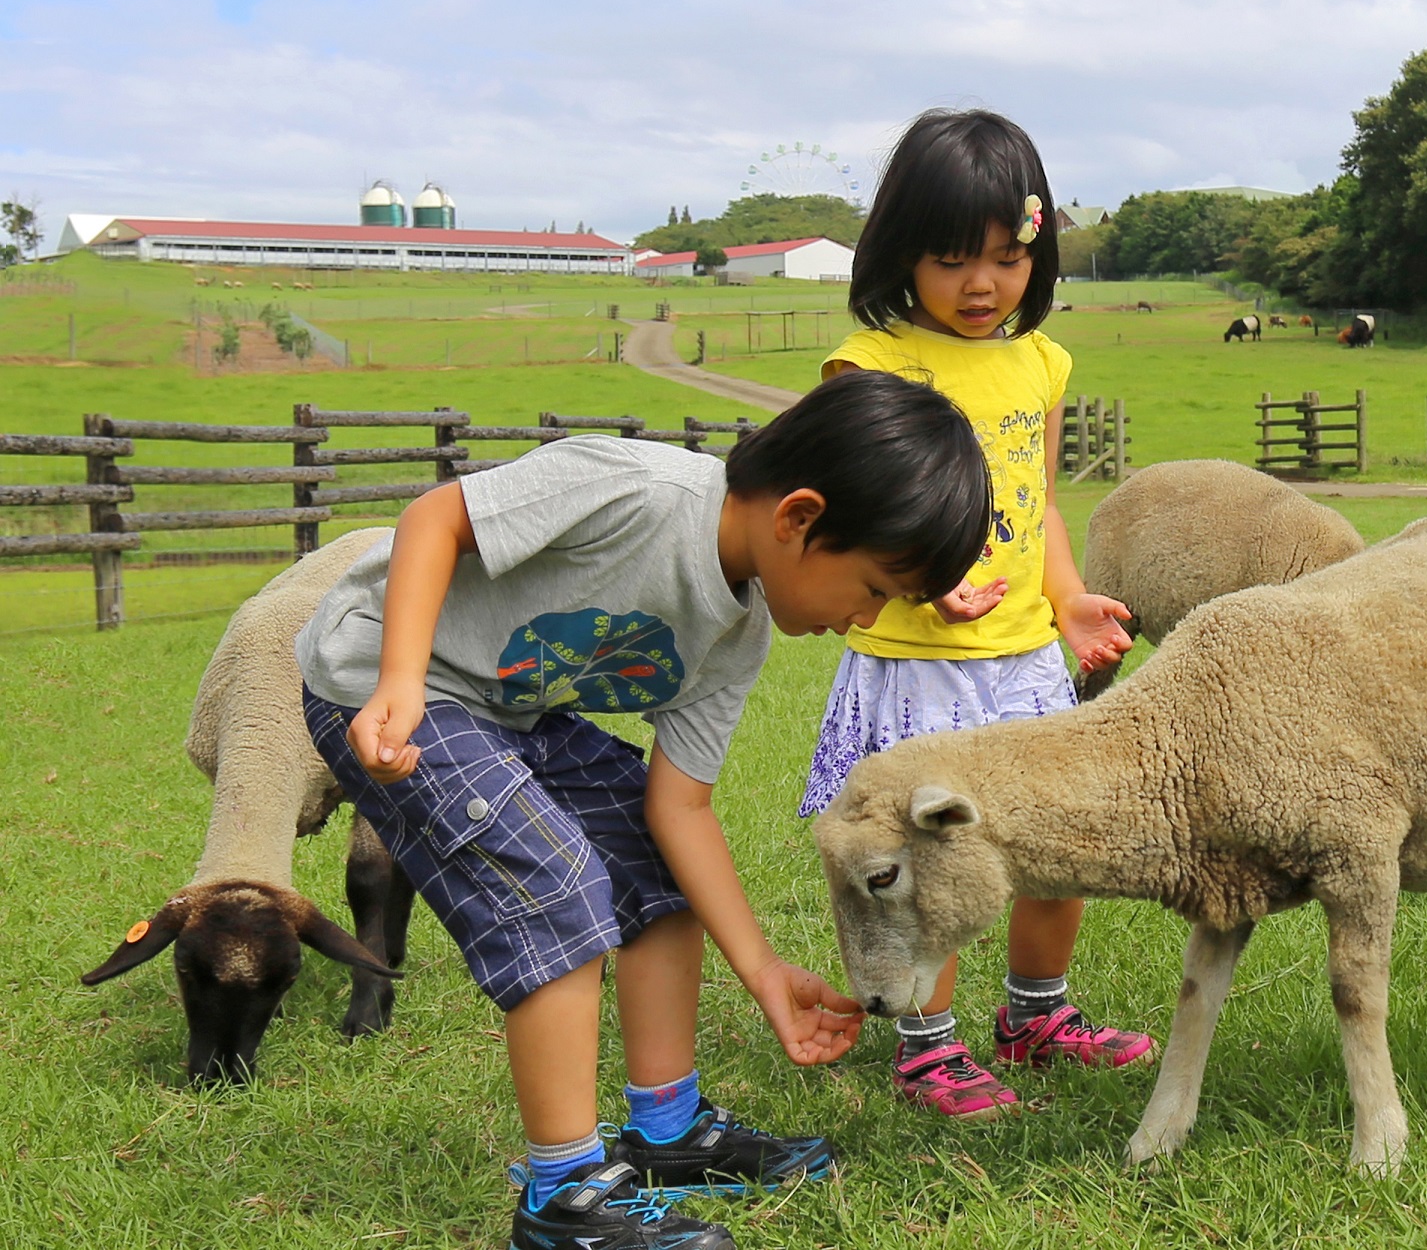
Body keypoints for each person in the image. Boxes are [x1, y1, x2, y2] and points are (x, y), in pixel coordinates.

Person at [294, 371, 993, 1250]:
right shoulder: (636, 488)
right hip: (380, 680)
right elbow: (436, 518)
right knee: (553, 880)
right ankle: (563, 1201)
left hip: (503, 706)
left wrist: (764, 973)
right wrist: (399, 678)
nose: (865, 618)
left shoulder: (737, 632)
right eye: (875, 587)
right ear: (800, 518)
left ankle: (666, 1130)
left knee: (651, 857)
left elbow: (680, 808)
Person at [799, 108, 1155, 1119]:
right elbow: (846, 518)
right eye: (952, 259)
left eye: (1006, 257)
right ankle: (928, 1047)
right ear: (902, 252)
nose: (981, 284)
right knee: (928, 858)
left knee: (1062, 839)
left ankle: (1036, 1014)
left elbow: (1037, 506)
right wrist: (921, 577)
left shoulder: (1039, 364)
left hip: (1022, 655)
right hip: (920, 660)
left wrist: (1069, 598)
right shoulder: (868, 367)